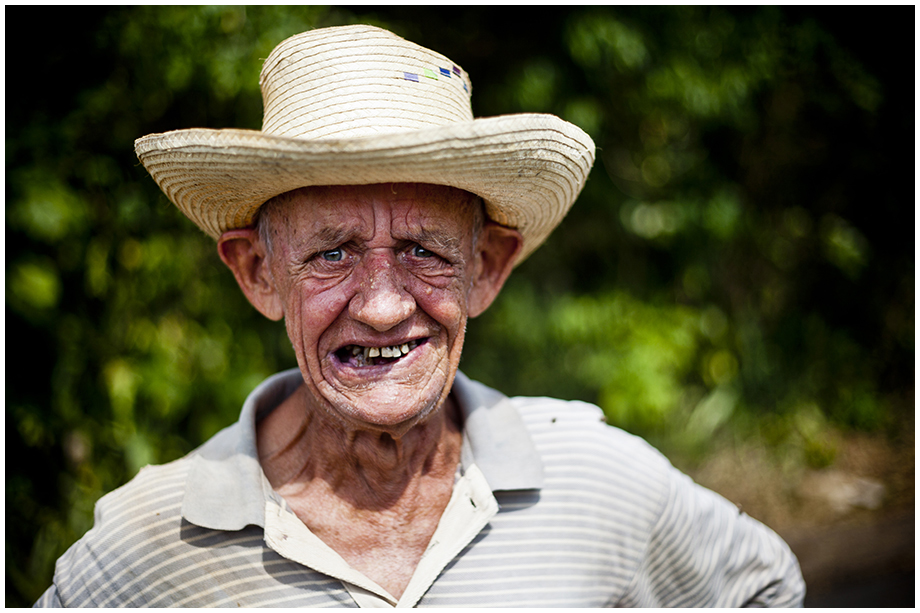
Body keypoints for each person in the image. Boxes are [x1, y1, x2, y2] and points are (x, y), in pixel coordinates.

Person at [35, 24, 805, 607]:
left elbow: (767, 586)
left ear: (488, 267)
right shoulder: (148, 546)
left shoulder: (599, 480)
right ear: (258, 272)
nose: (381, 305)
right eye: (332, 254)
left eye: (423, 250)